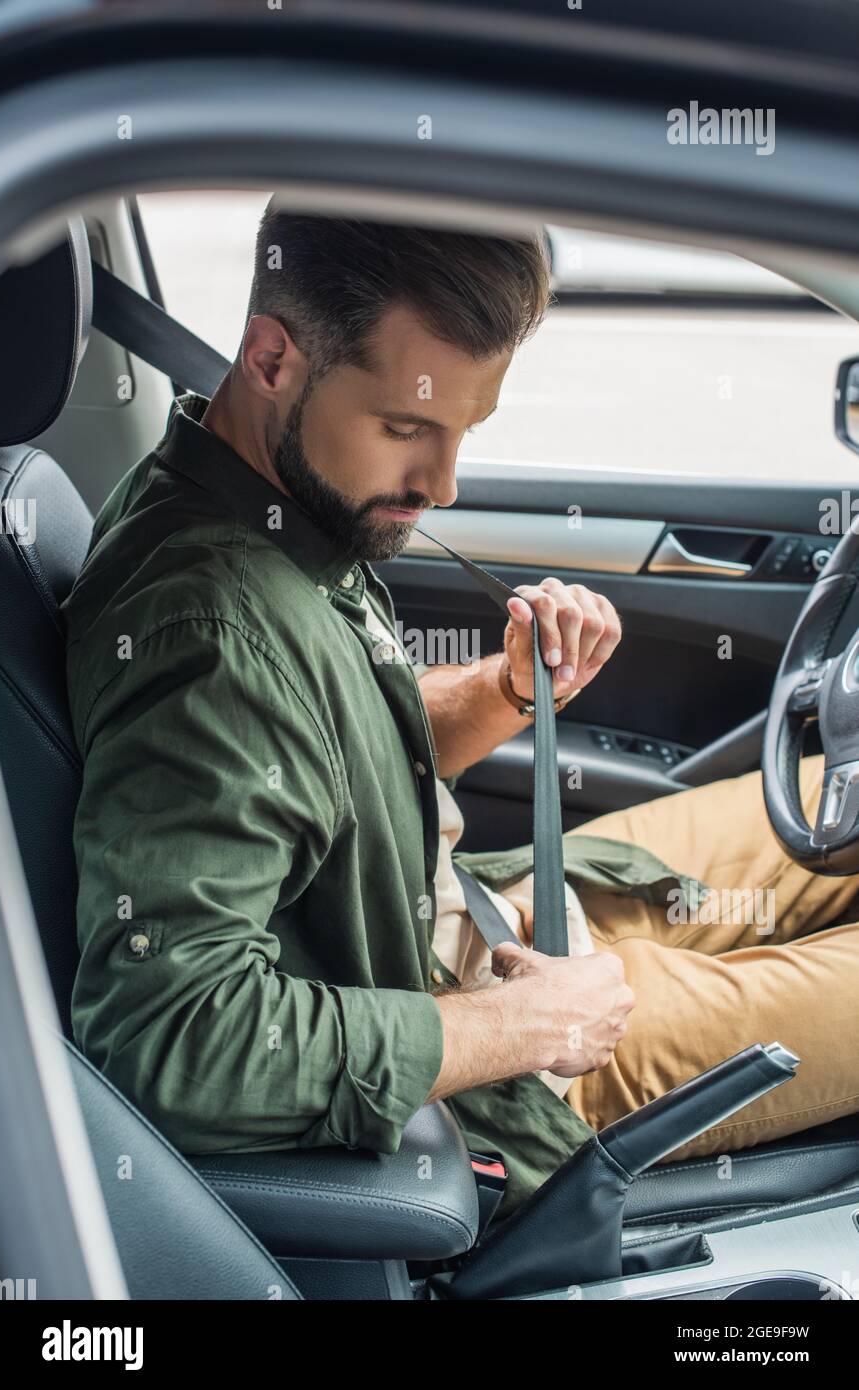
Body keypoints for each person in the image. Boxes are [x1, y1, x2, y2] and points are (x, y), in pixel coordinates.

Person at [62, 206, 859, 1224]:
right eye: (406, 428)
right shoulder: (209, 634)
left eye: (463, 433)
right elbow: (166, 1035)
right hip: (504, 1071)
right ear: (271, 358)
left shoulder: (243, 503)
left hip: (487, 910)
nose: (440, 482)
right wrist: (519, 1027)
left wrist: (512, 687)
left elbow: (325, 759)